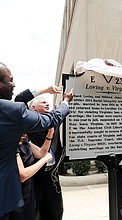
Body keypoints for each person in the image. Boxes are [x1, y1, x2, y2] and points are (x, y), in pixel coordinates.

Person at [0, 62, 73, 219]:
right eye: (10, 79)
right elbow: (21, 99)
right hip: (19, 192)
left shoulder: (20, 127)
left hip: (49, 182)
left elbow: (41, 152)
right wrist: (66, 102)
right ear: (32, 109)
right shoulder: (16, 117)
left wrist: (49, 134)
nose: (14, 84)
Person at [15, 87, 67, 220]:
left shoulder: (53, 120)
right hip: (34, 177)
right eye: (42, 102)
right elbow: (20, 99)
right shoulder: (29, 122)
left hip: (52, 177)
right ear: (33, 109)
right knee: (34, 212)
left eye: (47, 102)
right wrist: (45, 90)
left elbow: (63, 110)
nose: (47, 103)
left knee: (56, 211)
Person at [10, 128, 54, 220]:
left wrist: (50, 134)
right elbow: (22, 174)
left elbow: (40, 152)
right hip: (17, 197)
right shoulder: (10, 141)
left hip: (28, 193)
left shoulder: (23, 137)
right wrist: (44, 160)